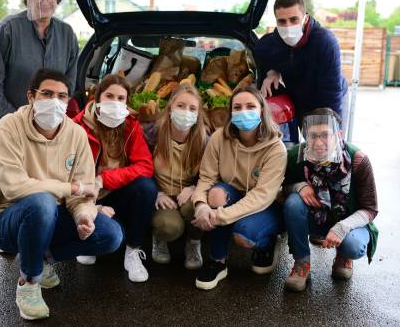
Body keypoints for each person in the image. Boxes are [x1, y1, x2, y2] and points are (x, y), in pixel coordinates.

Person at [0, 68, 123, 320]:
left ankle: (43, 256)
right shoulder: (8, 128)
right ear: (31, 97)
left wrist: (83, 216)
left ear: (69, 101)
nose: (55, 102)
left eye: (62, 96)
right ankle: (29, 282)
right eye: (46, 94)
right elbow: (15, 187)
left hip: (51, 215)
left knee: (111, 235)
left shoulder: (76, 134)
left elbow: (85, 189)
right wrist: (71, 189)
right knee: (41, 202)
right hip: (7, 220)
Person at [192, 85, 287, 290]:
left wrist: (217, 217)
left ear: (262, 110)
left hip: (267, 205)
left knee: (244, 236)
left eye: (250, 106)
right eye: (237, 107)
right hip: (232, 195)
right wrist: (200, 205)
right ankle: (217, 261)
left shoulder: (276, 149)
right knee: (215, 194)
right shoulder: (219, 138)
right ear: (231, 112)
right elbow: (206, 178)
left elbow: (262, 196)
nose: (243, 111)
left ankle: (268, 243)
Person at [0, 0, 79, 152]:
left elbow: (69, 83)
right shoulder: (7, 28)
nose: (44, 2)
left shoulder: (67, 34)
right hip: (6, 125)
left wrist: (52, 120)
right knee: (10, 179)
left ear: (57, 1)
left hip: (48, 130)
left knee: (42, 179)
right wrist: (16, 121)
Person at [282, 108, 378, 292]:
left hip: (350, 222)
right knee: (293, 203)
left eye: (325, 135)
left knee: (353, 245)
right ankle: (302, 262)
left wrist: (342, 228)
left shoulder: (358, 160)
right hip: (316, 217)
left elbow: (370, 209)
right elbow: (283, 189)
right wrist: (299, 186)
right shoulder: (297, 155)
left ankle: (343, 256)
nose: (318, 143)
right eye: (312, 136)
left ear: (338, 135)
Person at [73, 74, 157, 282]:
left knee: (146, 188)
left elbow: (145, 165)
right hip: (82, 195)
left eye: (121, 99)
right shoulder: (77, 126)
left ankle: (133, 250)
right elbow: (65, 172)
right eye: (109, 96)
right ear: (97, 97)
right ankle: (88, 237)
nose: (115, 102)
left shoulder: (130, 125)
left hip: (114, 191)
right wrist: (89, 195)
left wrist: (105, 179)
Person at [254, 0, 349, 135]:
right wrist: (272, 71)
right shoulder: (272, 43)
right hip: (299, 101)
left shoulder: (325, 42)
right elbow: (260, 50)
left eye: (293, 19)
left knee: (329, 148)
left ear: (305, 18)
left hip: (329, 99)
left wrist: (333, 132)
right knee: (308, 148)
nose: (288, 26)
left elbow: (332, 93)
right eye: (282, 21)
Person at [148, 85, 207, 269]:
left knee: (196, 206)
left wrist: (194, 188)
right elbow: (140, 168)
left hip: (187, 195)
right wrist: (156, 193)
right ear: (170, 107)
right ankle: (160, 238)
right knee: (168, 226)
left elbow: (212, 175)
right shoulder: (153, 134)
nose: (186, 112)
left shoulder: (205, 140)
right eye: (180, 106)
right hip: (162, 195)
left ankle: (194, 241)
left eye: (192, 109)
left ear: (198, 114)